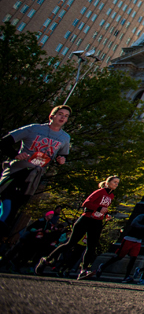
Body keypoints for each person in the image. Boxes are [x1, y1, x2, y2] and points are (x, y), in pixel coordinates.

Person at [0, 105, 71, 235]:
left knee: (16, 206)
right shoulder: (34, 129)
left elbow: (63, 155)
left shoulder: (65, 138)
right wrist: (15, 154)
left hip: (34, 176)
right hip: (17, 170)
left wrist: (61, 160)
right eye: (60, 114)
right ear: (52, 116)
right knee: (7, 198)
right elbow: (4, 142)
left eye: (66, 116)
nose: (63, 117)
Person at [35, 176, 118, 280]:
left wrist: (106, 215)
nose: (116, 184)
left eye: (117, 183)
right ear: (107, 182)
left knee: (91, 246)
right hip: (86, 219)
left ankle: (83, 270)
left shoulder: (112, 196)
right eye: (114, 182)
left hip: (97, 221)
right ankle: (47, 259)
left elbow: (102, 208)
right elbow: (86, 203)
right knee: (71, 243)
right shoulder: (99, 192)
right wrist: (100, 208)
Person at [96, 205, 144, 282]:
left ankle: (127, 276)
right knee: (119, 256)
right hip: (130, 238)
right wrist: (143, 227)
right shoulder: (142, 216)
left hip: (138, 241)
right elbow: (133, 223)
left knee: (133, 258)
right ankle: (102, 267)